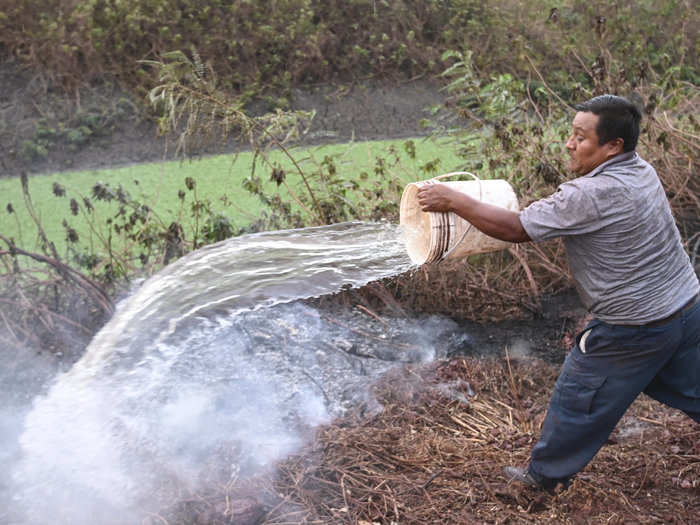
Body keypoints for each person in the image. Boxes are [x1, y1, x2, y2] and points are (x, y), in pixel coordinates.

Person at [417, 94, 700, 491]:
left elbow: (516, 229)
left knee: (579, 396)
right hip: (685, 308)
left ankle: (539, 481)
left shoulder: (588, 195)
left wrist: (454, 199)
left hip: (635, 327)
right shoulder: (641, 170)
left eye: (580, 137)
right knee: (692, 384)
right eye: (570, 134)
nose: (569, 143)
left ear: (612, 146)